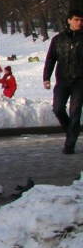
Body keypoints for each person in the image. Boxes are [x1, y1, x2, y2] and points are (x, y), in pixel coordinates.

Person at [44, 8, 83, 153]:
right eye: (76, 20)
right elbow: (50, 59)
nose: (79, 23)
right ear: (69, 20)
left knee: (75, 112)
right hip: (63, 81)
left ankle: (69, 145)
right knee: (58, 109)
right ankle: (71, 131)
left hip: (80, 81)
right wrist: (46, 78)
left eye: (81, 20)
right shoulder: (58, 39)